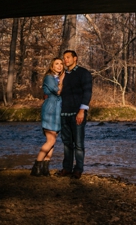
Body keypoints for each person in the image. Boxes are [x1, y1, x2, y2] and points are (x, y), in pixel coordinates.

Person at [56, 49, 92, 179]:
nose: (65, 60)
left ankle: (78, 170)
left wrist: (82, 111)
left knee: (78, 143)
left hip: (78, 113)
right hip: (64, 113)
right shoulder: (63, 74)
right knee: (67, 143)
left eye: (68, 57)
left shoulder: (84, 73)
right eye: (64, 58)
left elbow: (87, 92)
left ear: (75, 58)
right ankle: (67, 168)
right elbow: (58, 92)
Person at [32, 57, 64, 177]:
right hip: (50, 110)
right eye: (57, 64)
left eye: (61, 64)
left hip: (58, 110)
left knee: (52, 141)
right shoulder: (49, 77)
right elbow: (57, 91)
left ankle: (45, 169)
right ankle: (36, 167)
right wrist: (62, 79)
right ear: (52, 66)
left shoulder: (57, 78)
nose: (60, 66)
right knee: (50, 140)